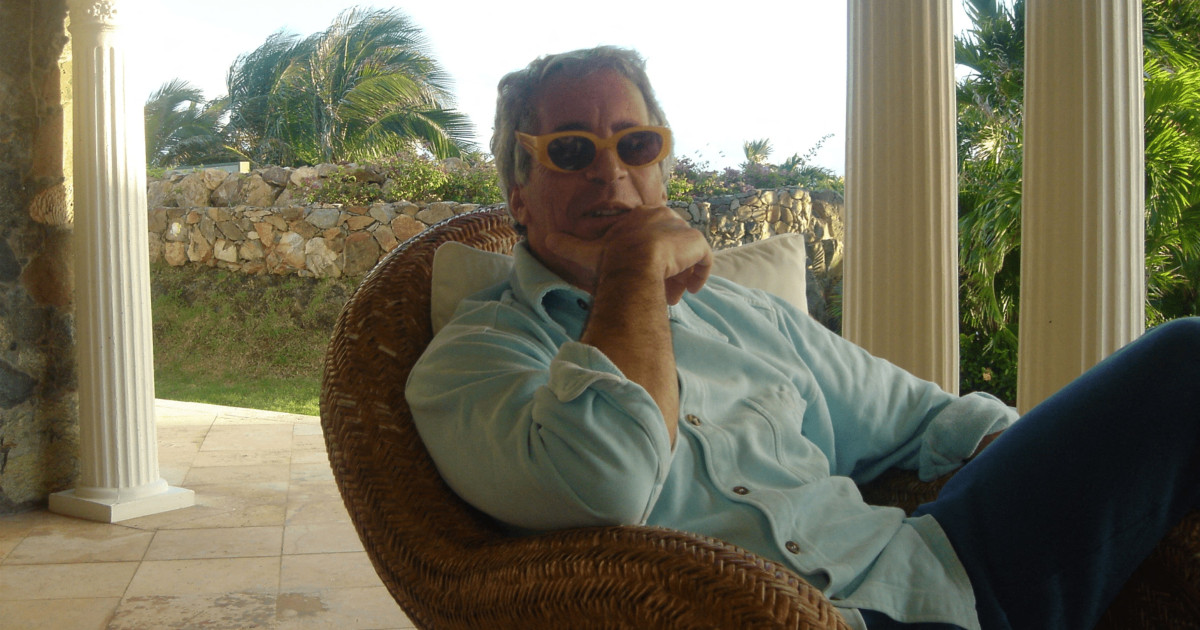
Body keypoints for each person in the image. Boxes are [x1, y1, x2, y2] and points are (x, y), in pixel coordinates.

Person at [406, 45, 1200, 630]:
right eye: (572, 150)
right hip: (785, 619)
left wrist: (1038, 468)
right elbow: (607, 480)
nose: (610, 174)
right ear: (518, 196)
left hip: (940, 570)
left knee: (1186, 358)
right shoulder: (473, 360)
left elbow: (929, 418)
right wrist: (634, 269)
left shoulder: (745, 316)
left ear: (660, 168)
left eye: (636, 145)